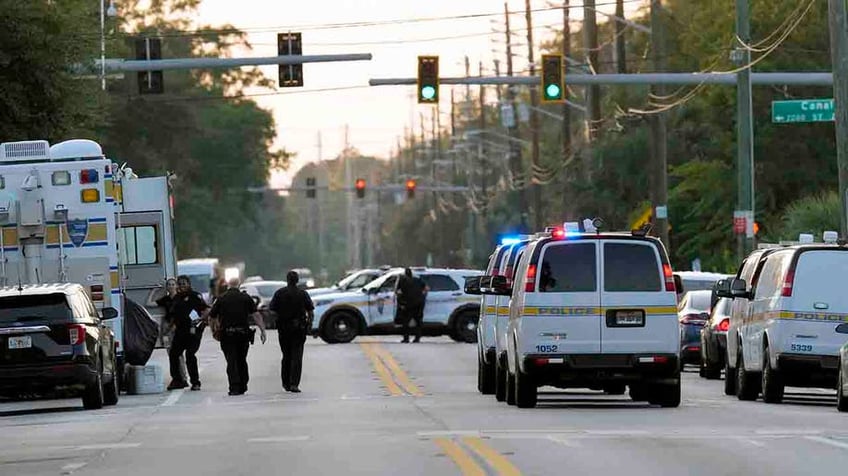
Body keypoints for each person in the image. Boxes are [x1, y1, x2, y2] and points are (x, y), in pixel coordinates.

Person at [210, 277, 266, 396]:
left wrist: (213, 330)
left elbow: (212, 316)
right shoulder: (246, 298)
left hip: (227, 335)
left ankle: (234, 387)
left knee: (231, 360)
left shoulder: (221, 298)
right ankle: (243, 385)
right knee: (241, 359)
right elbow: (256, 315)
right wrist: (263, 330)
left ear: (227, 284)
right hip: (243, 334)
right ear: (239, 284)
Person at [269, 270, 314, 393]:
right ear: (297, 280)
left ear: (287, 280)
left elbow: (272, 310)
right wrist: (309, 325)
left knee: (286, 355)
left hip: (284, 328)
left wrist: (277, 320)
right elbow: (310, 311)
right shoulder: (303, 294)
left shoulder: (279, 293)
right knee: (297, 356)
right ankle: (294, 383)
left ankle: (286, 383)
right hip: (299, 328)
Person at [167, 275, 210, 391]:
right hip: (180, 331)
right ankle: (177, 380)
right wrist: (169, 329)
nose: (182, 286)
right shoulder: (177, 298)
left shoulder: (195, 296)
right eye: (180, 284)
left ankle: (195, 382)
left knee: (190, 355)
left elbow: (206, 310)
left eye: (184, 283)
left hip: (193, 330)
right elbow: (174, 316)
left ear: (189, 284)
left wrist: (201, 320)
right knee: (173, 354)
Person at [396, 268, 428, 343]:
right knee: (418, 321)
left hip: (408, 304)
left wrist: (401, 302)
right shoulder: (418, 280)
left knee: (406, 322)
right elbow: (426, 288)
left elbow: (398, 292)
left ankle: (406, 338)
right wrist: (423, 296)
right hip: (419, 303)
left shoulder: (402, 281)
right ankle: (417, 338)